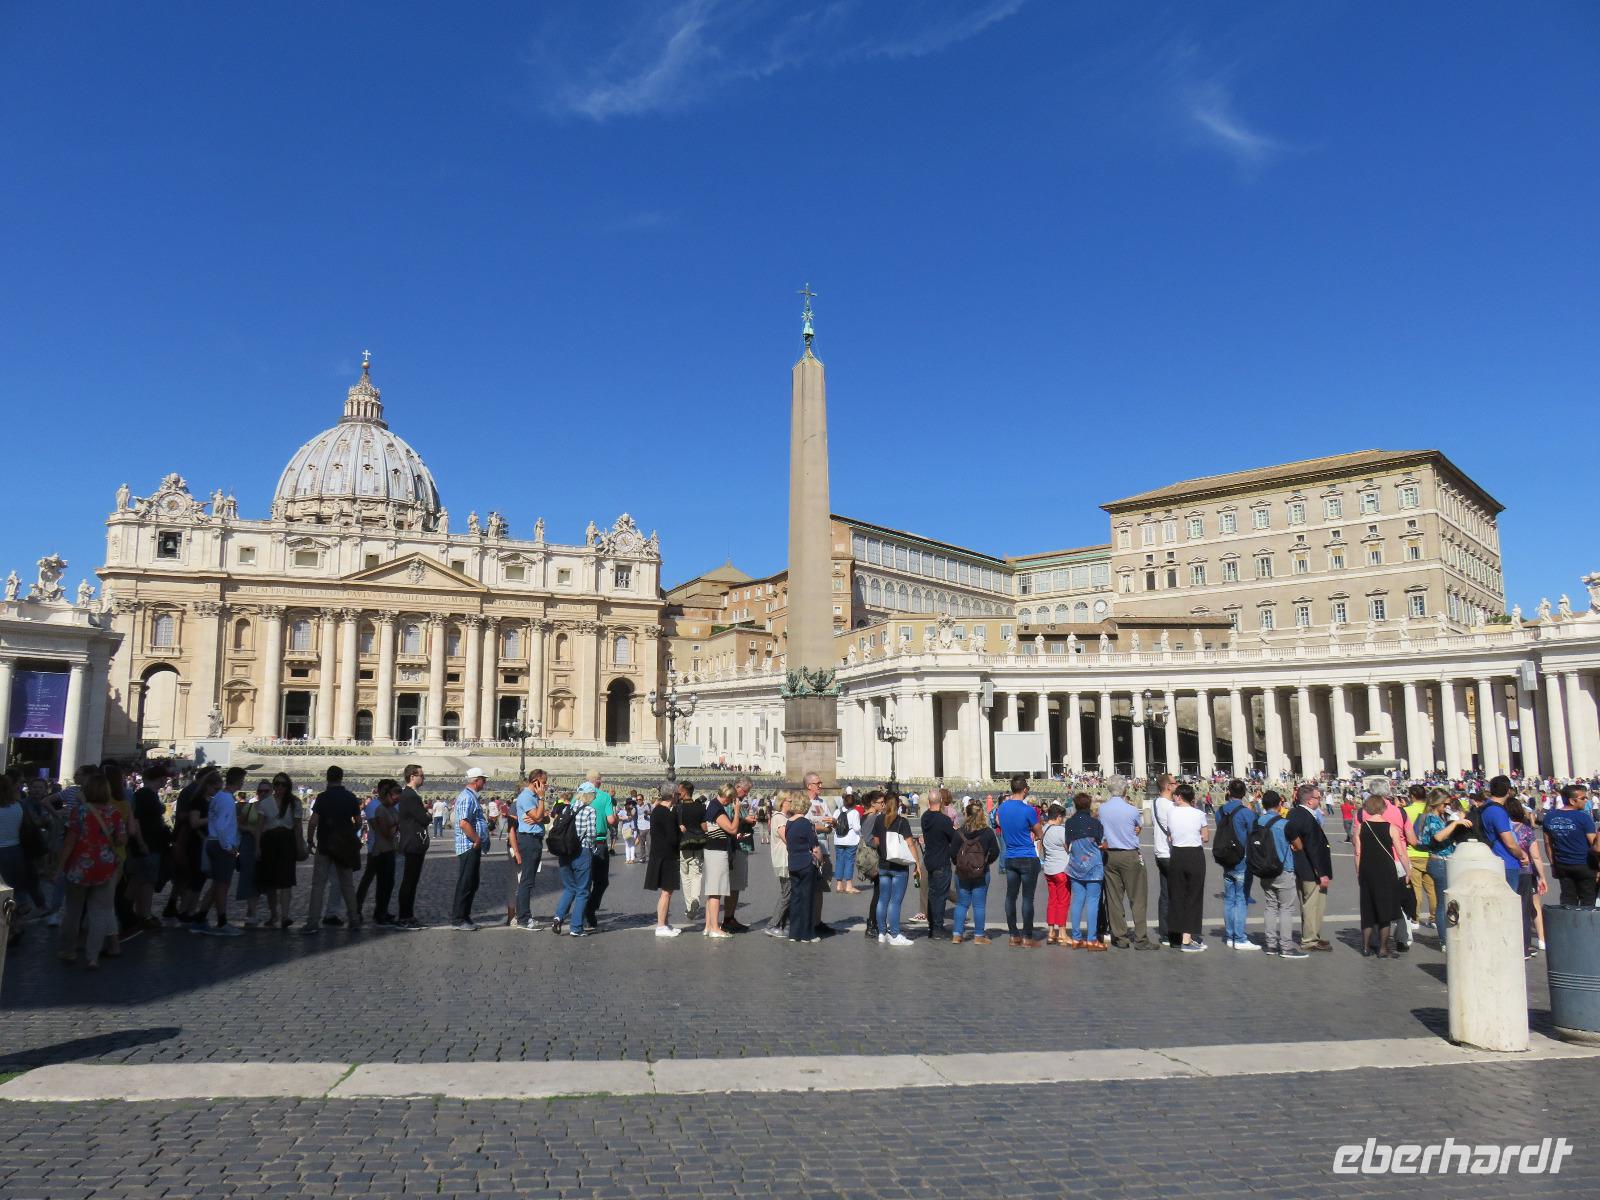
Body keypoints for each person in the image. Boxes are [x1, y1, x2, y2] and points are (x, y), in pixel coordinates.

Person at [55, 772, 127, 967]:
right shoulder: (114, 813)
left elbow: (69, 842)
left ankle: (68, 950)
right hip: (105, 866)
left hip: (79, 866)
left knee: (73, 911)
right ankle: (92, 956)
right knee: (100, 912)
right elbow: (121, 839)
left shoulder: (79, 812)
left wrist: (60, 868)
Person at [304, 765, 363, 934]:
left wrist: (309, 840)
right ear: (341, 777)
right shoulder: (350, 797)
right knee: (347, 885)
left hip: (324, 845)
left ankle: (312, 922)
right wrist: (351, 832)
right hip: (344, 846)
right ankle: (354, 920)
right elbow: (358, 821)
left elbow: (313, 821)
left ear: (327, 778)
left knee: (318, 885)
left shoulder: (322, 798)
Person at [1098, 777, 1151, 950]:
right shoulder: (1132, 810)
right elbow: (1137, 828)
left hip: (1110, 855)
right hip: (1130, 855)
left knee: (1114, 898)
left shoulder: (1102, 809)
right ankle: (1141, 938)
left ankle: (1120, 937)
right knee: (1138, 898)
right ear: (1125, 791)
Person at [194, 766, 244, 935]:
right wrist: (229, 847)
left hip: (213, 842)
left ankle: (200, 919)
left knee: (217, 884)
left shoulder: (219, 797)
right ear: (238, 781)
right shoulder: (227, 800)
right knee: (222, 885)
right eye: (242, 780)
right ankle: (222, 923)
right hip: (221, 845)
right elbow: (222, 827)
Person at [1284, 782, 1333, 953]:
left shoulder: (1293, 813)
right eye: (1318, 798)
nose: (1320, 801)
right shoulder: (1306, 817)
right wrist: (1322, 873)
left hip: (1299, 866)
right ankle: (1310, 940)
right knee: (1313, 905)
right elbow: (1313, 848)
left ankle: (1312, 936)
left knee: (1308, 904)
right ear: (1310, 800)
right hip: (1310, 869)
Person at [868, 793, 922, 946]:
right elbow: (910, 843)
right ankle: (895, 934)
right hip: (898, 866)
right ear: (898, 805)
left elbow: (876, 842)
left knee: (882, 899)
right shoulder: (902, 822)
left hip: (884, 865)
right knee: (895, 902)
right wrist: (917, 863)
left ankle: (881, 933)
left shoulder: (879, 819)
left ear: (885, 804)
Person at [996, 774, 1043, 948]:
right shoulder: (1028, 810)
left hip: (1010, 857)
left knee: (1010, 896)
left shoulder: (1002, 808)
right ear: (1025, 789)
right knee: (1028, 898)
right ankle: (1027, 937)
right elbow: (1039, 833)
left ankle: (1013, 935)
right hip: (1027, 857)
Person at [1254, 791, 1299, 958]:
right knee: (1286, 908)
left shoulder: (1258, 821)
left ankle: (1271, 945)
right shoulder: (1285, 823)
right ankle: (1286, 947)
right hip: (1283, 868)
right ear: (1279, 804)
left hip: (1264, 869)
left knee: (1270, 906)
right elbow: (1298, 845)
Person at [1165, 783, 1209, 952]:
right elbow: (1205, 837)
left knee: (1176, 895)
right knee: (1193, 896)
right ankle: (1187, 939)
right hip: (1194, 855)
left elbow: (1170, 835)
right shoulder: (1199, 813)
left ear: (1180, 797)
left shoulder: (1170, 812)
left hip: (1177, 854)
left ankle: (1175, 937)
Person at [126, 762, 170, 929]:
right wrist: (142, 843)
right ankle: (142, 914)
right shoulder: (145, 795)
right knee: (145, 881)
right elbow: (135, 821)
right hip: (147, 845)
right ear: (158, 778)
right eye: (164, 778)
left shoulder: (148, 794)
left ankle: (137, 913)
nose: (165, 781)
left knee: (142, 880)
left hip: (150, 844)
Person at [1061, 792, 1106, 949]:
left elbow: (1067, 845)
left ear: (1075, 805)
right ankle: (1092, 938)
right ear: (1089, 805)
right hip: (1094, 866)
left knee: (1077, 901)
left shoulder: (1069, 823)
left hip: (1076, 866)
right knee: (1093, 902)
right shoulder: (1096, 823)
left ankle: (1076, 937)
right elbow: (1101, 843)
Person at [256, 773, 301, 929]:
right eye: (277, 784)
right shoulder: (265, 803)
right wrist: (257, 847)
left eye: (283, 784)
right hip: (269, 842)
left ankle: (285, 916)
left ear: (288, 786)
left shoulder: (295, 802)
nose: (280, 787)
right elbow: (260, 827)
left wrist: (300, 845)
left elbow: (297, 827)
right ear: (273, 786)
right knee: (271, 883)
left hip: (287, 842)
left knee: (286, 881)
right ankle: (274, 913)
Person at [553, 782, 599, 937]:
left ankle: (558, 916)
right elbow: (592, 834)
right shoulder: (590, 811)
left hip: (564, 852)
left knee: (569, 888)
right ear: (589, 795)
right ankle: (576, 927)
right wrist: (593, 849)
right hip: (582, 852)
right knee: (582, 891)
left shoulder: (567, 808)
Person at [951, 802, 1000, 943]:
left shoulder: (959, 833)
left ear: (966, 815)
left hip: (962, 873)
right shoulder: (988, 832)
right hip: (981, 872)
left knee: (961, 904)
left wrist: (960, 865)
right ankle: (979, 936)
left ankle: (957, 934)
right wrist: (986, 862)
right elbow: (995, 852)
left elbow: (953, 853)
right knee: (979, 905)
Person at [1542, 784, 1597, 907]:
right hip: (1585, 864)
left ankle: (1569, 924)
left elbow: (1547, 843)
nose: (1586, 800)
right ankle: (1585, 925)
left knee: (1568, 899)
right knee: (1588, 900)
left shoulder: (1550, 817)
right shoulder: (1583, 817)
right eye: (1583, 798)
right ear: (1572, 801)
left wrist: (1552, 864)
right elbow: (1594, 844)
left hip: (1563, 864)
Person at [1506, 796, 1548, 957]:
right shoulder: (1526, 830)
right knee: (1527, 907)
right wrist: (1542, 877)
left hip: (1506, 870)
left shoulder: (1503, 830)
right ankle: (1530, 943)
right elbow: (1536, 856)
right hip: (1525, 872)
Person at [451, 767, 490, 931]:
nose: (485, 782)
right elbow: (464, 823)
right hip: (468, 845)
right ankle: (458, 919)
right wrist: (476, 839)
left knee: (472, 883)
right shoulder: (467, 797)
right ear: (476, 780)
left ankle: (465, 916)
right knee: (466, 883)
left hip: (471, 845)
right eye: (483, 779)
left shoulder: (471, 797)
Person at [1217, 779, 1254, 949]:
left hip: (1226, 860)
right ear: (1244, 793)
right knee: (1241, 899)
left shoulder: (1220, 811)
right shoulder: (1247, 813)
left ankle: (1229, 935)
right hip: (1242, 861)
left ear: (1229, 792)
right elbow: (1254, 835)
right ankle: (1239, 938)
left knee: (1229, 899)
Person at [919, 788, 959, 941]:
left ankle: (932, 927)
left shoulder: (925, 818)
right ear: (941, 801)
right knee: (940, 897)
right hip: (942, 861)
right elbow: (953, 838)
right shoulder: (944, 820)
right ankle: (937, 928)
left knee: (932, 894)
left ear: (929, 801)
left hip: (929, 859)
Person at [394, 765, 431, 929]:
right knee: (409, 881)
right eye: (421, 776)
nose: (423, 778)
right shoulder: (410, 796)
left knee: (411, 881)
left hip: (412, 842)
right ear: (412, 777)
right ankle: (404, 917)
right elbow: (423, 819)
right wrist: (427, 814)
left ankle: (408, 915)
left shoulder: (409, 795)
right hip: (412, 843)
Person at [511, 769, 549, 930]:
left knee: (529, 880)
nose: (546, 786)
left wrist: (541, 817)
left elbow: (545, 817)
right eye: (544, 782)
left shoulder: (532, 797)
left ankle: (523, 916)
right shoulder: (527, 797)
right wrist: (541, 801)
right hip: (528, 840)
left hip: (534, 839)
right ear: (536, 782)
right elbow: (539, 817)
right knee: (526, 880)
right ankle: (523, 918)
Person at [1481, 775, 1531, 893]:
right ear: (1508, 791)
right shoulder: (1498, 811)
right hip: (1506, 862)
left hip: (1493, 859)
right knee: (1508, 902)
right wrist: (1522, 855)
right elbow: (1510, 843)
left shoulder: (1486, 807)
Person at [700, 783, 738, 938]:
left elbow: (705, 825)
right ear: (727, 796)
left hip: (711, 850)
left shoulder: (711, 805)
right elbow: (732, 829)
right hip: (717, 853)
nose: (731, 802)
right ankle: (715, 928)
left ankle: (709, 926)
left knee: (711, 891)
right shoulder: (718, 809)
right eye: (731, 799)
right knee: (716, 892)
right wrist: (736, 812)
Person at [783, 791, 821, 942]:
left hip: (793, 863)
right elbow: (815, 847)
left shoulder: (788, 822)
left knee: (796, 898)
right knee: (807, 899)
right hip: (806, 863)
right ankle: (807, 934)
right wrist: (820, 860)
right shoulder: (807, 824)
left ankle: (794, 933)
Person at [582, 769, 617, 932]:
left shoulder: (580, 795)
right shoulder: (605, 797)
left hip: (581, 843)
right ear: (596, 780)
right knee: (601, 881)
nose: (601, 782)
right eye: (600, 780)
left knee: (585, 881)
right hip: (600, 842)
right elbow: (611, 819)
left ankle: (580, 913)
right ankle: (590, 909)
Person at [645, 782, 681, 936]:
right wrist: (681, 831)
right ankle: (660, 926)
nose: (678, 797)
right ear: (672, 795)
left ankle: (664, 923)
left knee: (666, 892)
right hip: (666, 855)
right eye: (677, 794)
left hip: (658, 854)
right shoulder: (668, 813)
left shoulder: (657, 810)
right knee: (666, 892)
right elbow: (673, 838)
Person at [364, 779, 401, 925]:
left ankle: (383, 911)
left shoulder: (391, 808)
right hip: (380, 850)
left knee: (388, 883)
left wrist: (395, 826)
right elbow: (386, 832)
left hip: (390, 849)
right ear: (387, 794)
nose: (397, 797)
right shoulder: (380, 809)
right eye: (395, 794)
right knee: (381, 883)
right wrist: (396, 825)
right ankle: (378, 913)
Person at [723, 775, 756, 932]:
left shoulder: (738, 802)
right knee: (733, 885)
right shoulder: (730, 802)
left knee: (736, 887)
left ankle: (730, 917)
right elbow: (729, 823)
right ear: (737, 788)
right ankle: (728, 919)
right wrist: (745, 821)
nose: (746, 794)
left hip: (742, 846)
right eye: (745, 791)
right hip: (736, 847)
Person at [1149, 773, 1179, 944]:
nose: (1177, 785)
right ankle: (1176, 932)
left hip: (1159, 852)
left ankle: (1165, 933)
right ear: (1168, 786)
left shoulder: (1155, 803)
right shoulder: (1170, 807)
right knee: (1177, 894)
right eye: (1175, 783)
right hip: (1170, 853)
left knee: (1165, 894)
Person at [1401, 784, 1436, 930]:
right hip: (1430, 853)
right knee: (1432, 889)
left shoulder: (1405, 811)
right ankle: (1434, 918)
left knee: (1416, 888)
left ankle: (1415, 918)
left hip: (1413, 852)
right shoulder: (1431, 810)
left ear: (1412, 796)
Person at [1039, 802, 1070, 945]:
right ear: (1058, 817)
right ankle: (1062, 933)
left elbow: (1041, 848)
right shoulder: (1061, 831)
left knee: (1052, 900)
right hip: (1061, 869)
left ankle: (1051, 932)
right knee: (1063, 902)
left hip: (1049, 869)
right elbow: (1068, 848)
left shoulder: (1043, 829)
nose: (1062, 820)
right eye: (1062, 818)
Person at [676, 781, 707, 923]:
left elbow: (675, 826)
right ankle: (695, 899)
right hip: (698, 844)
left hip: (684, 844)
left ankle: (689, 907)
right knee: (697, 874)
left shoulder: (678, 808)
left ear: (683, 791)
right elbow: (704, 827)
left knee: (685, 876)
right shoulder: (700, 807)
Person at [766, 790, 795, 939]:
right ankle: (773, 925)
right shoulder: (779, 818)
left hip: (785, 859)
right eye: (790, 801)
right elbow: (787, 838)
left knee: (788, 893)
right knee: (787, 893)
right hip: (784, 860)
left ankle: (785, 925)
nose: (792, 803)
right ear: (783, 802)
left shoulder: (783, 817)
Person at [833, 786, 862, 894]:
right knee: (849, 861)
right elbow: (857, 828)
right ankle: (849, 885)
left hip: (838, 840)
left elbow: (833, 824)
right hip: (851, 841)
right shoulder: (855, 813)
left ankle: (839, 885)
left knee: (839, 861)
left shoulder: (837, 811)